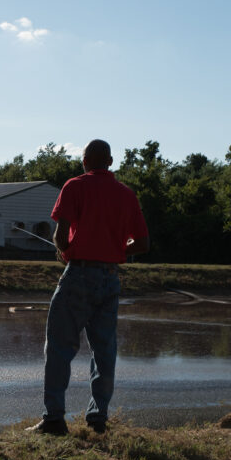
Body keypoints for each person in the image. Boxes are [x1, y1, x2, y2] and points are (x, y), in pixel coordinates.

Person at [27, 139, 149, 436]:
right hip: (110, 278)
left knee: (59, 348)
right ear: (110, 163)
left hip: (78, 274)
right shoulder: (126, 195)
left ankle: (54, 419)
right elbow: (142, 244)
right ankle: (98, 419)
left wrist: (64, 250)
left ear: (84, 162)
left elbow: (60, 236)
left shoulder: (75, 186)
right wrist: (121, 245)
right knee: (104, 351)